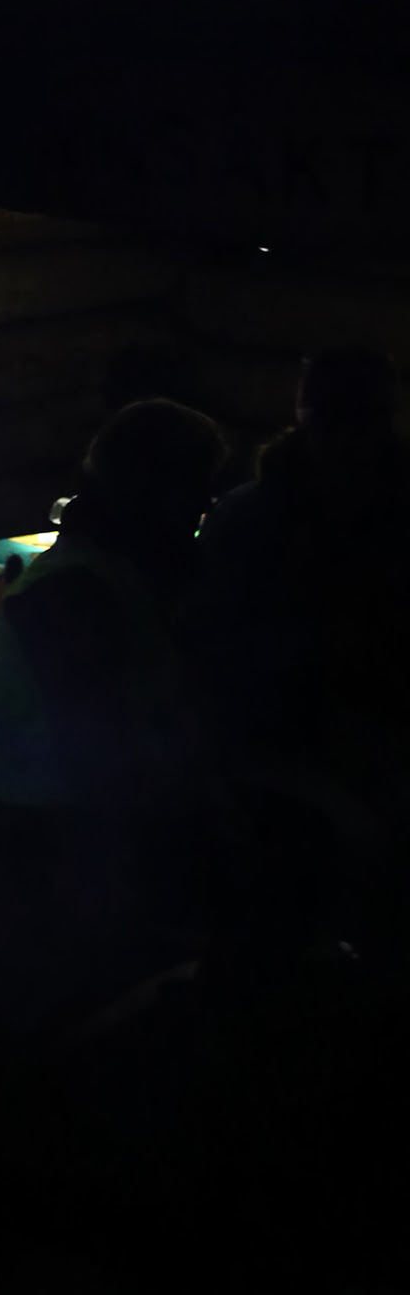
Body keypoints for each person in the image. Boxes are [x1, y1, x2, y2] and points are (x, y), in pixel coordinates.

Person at [0, 400, 227, 986]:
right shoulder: (73, 589)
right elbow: (97, 756)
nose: (206, 506)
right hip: (34, 818)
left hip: (62, 804)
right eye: (196, 490)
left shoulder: (124, 567)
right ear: (155, 492)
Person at [195, 347, 409, 967]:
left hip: (332, 742)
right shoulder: (258, 518)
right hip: (284, 748)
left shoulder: (249, 512)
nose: (346, 446)